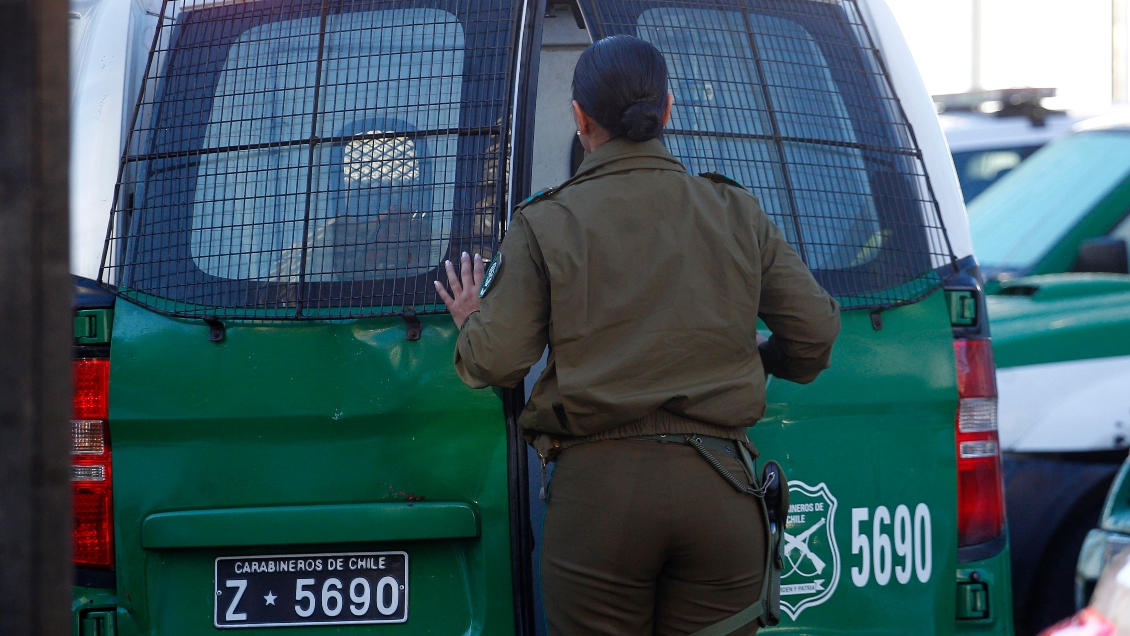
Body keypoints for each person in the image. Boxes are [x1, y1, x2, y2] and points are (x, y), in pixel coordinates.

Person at [435, 35, 840, 636]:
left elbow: (494, 362)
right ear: (668, 111)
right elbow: (815, 333)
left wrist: (473, 324)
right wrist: (763, 357)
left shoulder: (547, 221)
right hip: (723, 491)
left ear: (579, 118)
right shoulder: (734, 210)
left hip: (601, 503)